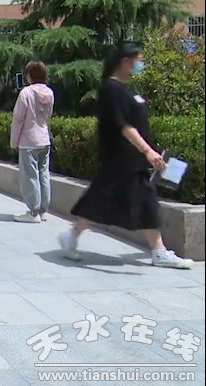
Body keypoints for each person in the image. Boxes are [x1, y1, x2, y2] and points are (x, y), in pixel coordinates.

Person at [58, 44, 193, 269]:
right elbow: (124, 126)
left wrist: (150, 150)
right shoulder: (111, 89)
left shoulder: (125, 89)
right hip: (122, 158)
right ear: (125, 61)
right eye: (138, 59)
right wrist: (147, 151)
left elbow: (135, 124)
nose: (141, 64)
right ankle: (158, 251)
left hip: (130, 159)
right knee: (123, 199)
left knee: (110, 198)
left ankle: (72, 236)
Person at [10, 61, 55, 223]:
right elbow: (48, 115)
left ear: (30, 75)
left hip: (28, 141)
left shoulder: (26, 93)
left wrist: (13, 141)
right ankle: (43, 211)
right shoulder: (49, 93)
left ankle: (33, 212)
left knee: (30, 176)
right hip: (44, 139)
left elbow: (18, 119)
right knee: (44, 174)